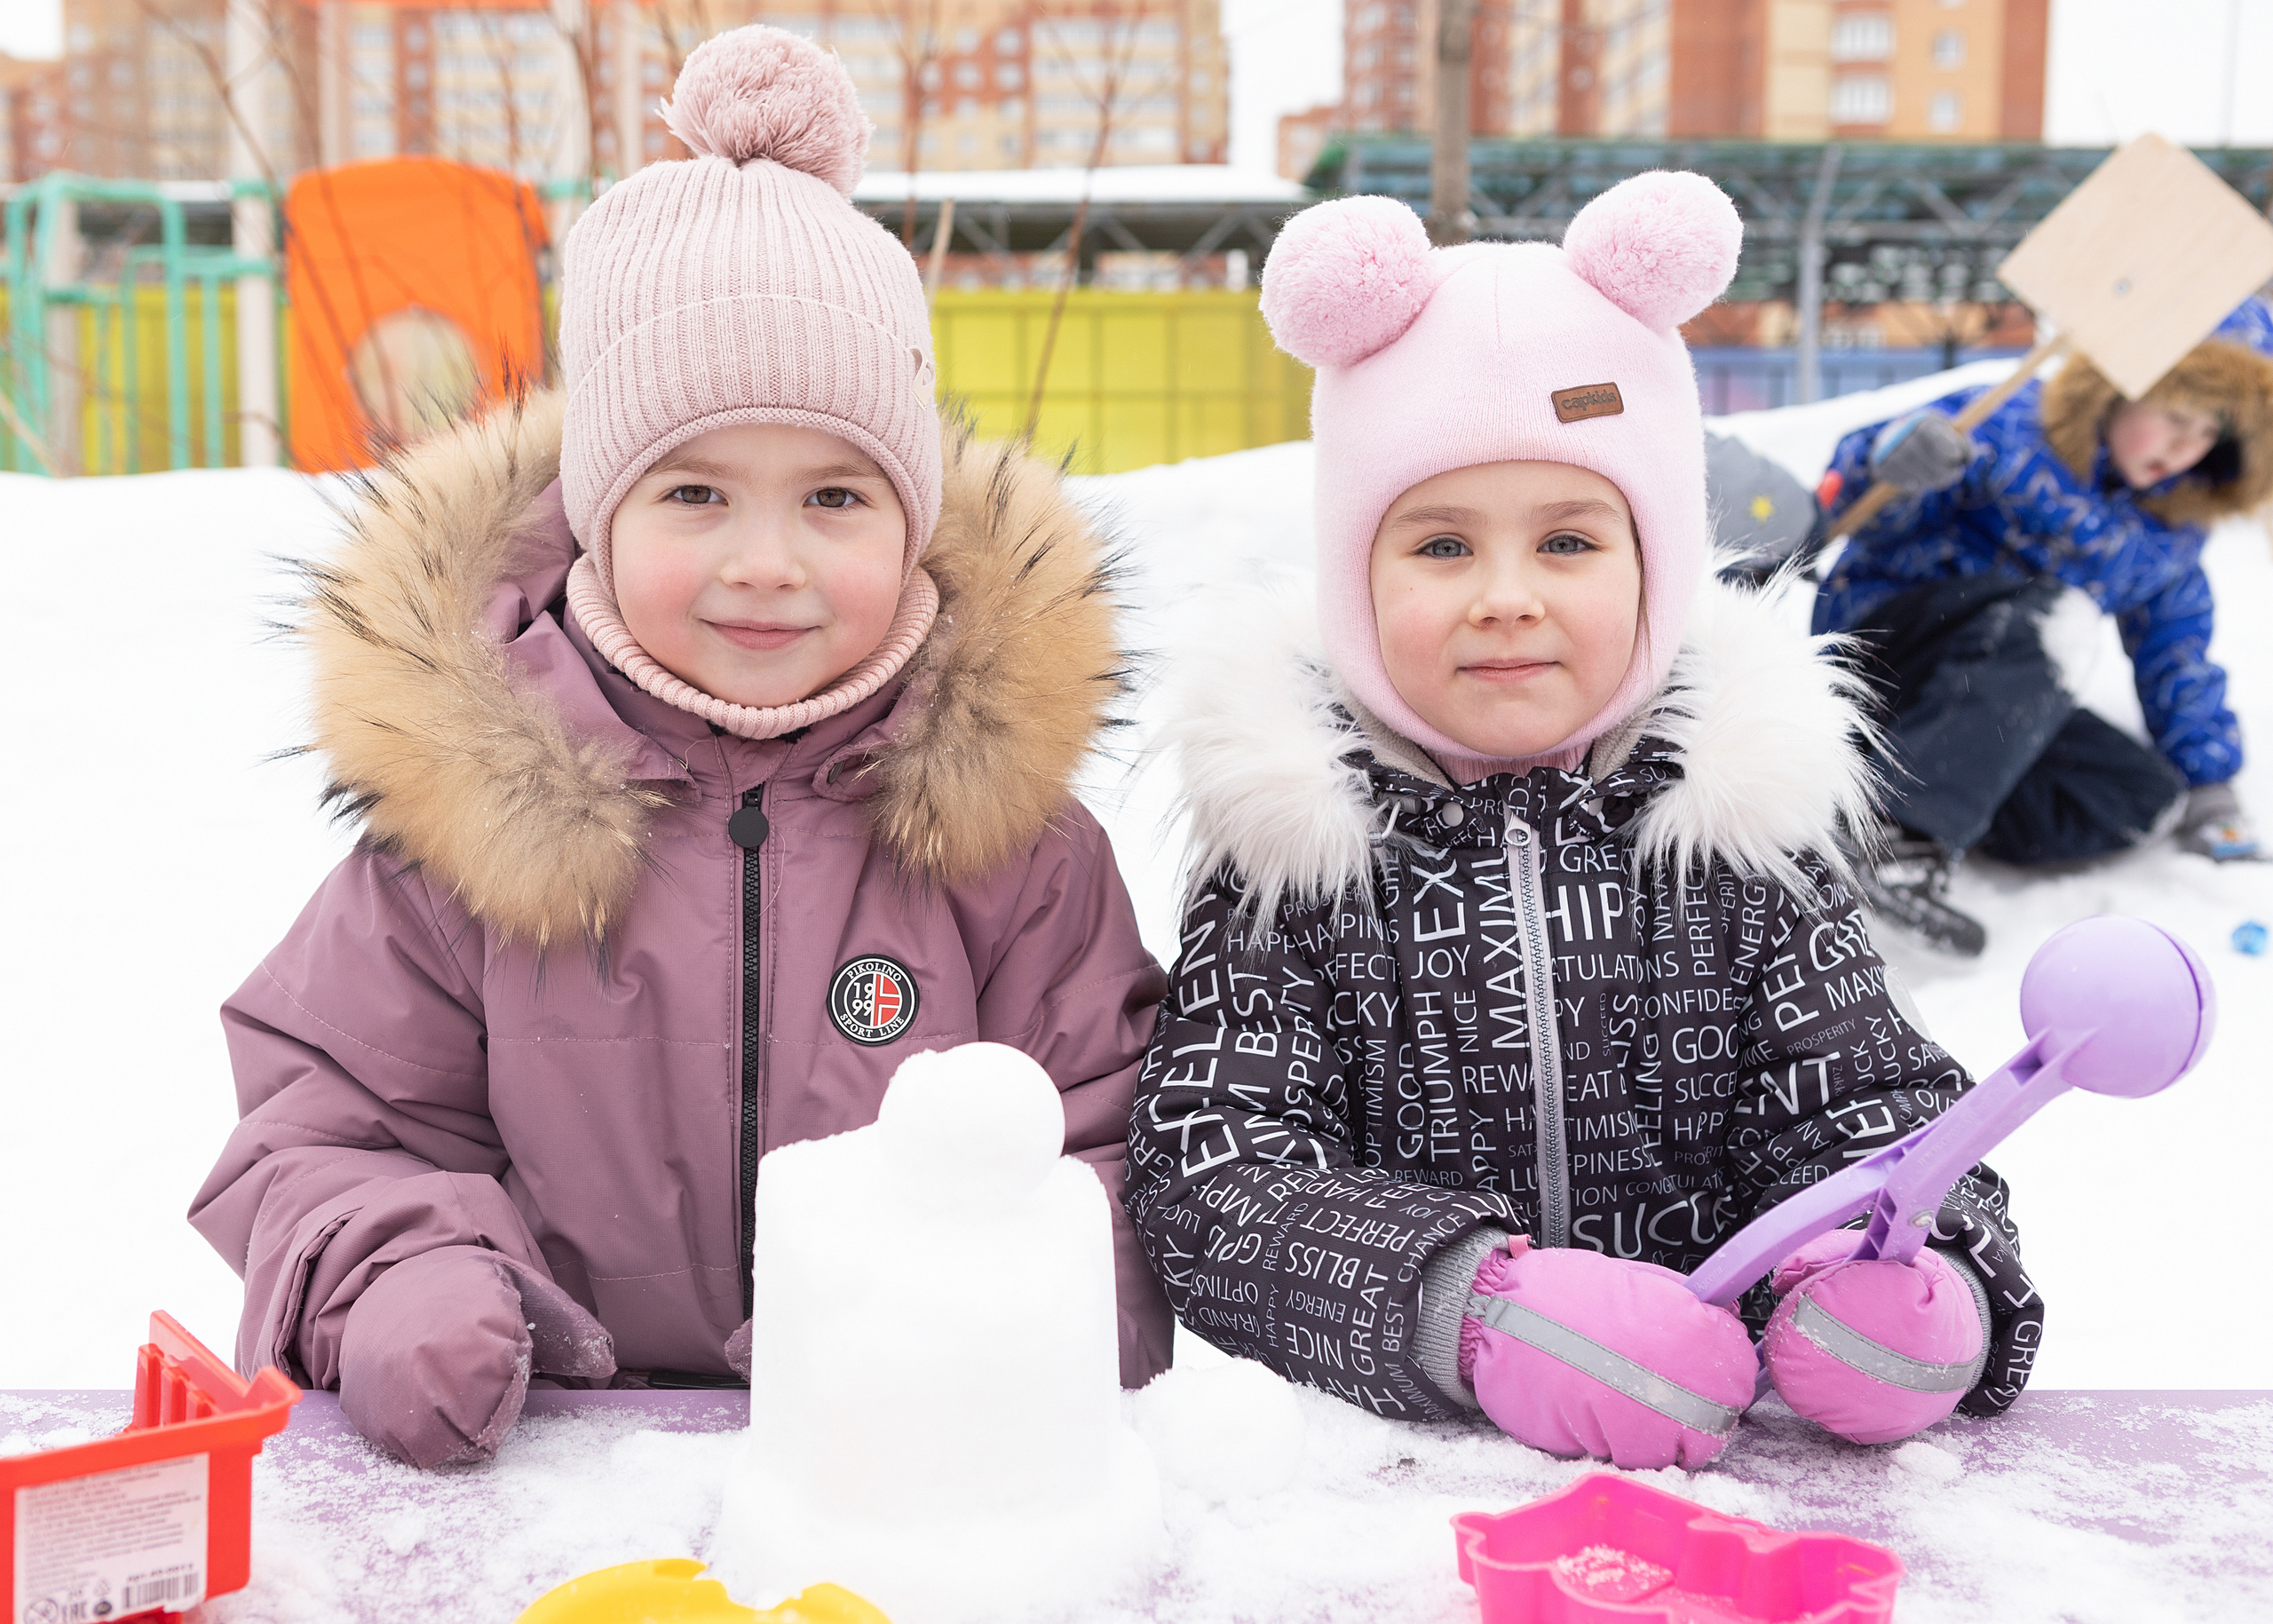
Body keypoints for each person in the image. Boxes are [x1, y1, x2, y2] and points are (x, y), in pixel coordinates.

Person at [190, 27, 1171, 1470]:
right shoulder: (470, 815)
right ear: (598, 510)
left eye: (835, 496)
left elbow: (1121, 1154)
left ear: (912, 521)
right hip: (552, 1458)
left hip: (917, 1466)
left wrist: (970, 1312)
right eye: (697, 491)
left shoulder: (1010, 841)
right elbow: (326, 1124)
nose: (764, 561)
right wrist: (407, 1277)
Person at [1126, 173, 2039, 1472]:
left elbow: (1860, 1105)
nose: (1507, 597)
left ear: (1656, 562)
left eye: (1567, 542)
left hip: (1730, 1494)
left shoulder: (1738, 834)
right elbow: (1214, 1180)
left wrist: (1900, 1262)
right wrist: (1472, 1312)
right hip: (1402, 1485)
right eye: (1441, 546)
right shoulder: (1295, 857)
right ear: (1353, 575)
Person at [1814, 300, 2273, 955]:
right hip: (1887, 652)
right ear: (2118, 389)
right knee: (2062, 616)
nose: (2183, 448)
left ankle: (1906, 798)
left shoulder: (2166, 533)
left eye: (2207, 435)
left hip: (1986, 707)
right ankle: (1898, 834)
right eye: (2174, 418)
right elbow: (1857, 507)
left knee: (2136, 794)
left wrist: (2209, 781)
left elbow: (2178, 654)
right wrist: (1891, 461)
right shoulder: (2004, 424)